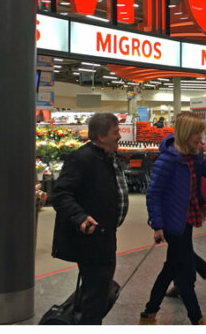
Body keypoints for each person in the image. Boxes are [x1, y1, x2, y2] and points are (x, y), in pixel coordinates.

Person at [140, 112, 206, 325]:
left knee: (171, 267)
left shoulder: (195, 157)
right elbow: (154, 193)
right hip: (171, 221)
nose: (200, 137)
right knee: (184, 273)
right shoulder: (167, 160)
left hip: (187, 219)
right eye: (196, 133)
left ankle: (149, 313)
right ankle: (197, 318)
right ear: (186, 134)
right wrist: (157, 225)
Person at [51, 113, 129, 325]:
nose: (119, 136)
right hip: (91, 240)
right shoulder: (82, 158)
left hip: (106, 236)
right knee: (95, 296)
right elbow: (60, 194)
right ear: (101, 136)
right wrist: (80, 217)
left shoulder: (107, 156)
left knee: (98, 290)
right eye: (115, 132)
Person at [164, 176, 206, 301]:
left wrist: (203, 205)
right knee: (179, 247)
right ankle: (181, 283)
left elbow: (200, 175)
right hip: (176, 203)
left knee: (181, 248)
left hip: (183, 206)